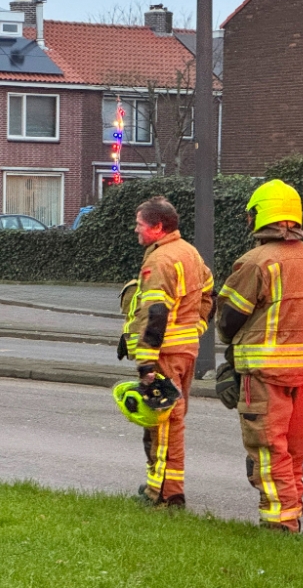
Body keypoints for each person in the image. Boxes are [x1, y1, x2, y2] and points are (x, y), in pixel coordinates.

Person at [216, 179, 303, 533]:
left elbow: (229, 319)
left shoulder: (256, 262)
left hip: (263, 372)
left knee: (266, 447)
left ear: (260, 216)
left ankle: (279, 522)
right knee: (293, 449)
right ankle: (292, 512)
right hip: (302, 370)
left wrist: (230, 358)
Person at [119, 196, 213, 507]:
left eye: (140, 225)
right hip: (185, 350)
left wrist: (146, 361)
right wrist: (197, 327)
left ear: (158, 227)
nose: (136, 230)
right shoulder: (190, 253)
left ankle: (156, 493)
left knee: (159, 424)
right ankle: (173, 491)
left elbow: (156, 311)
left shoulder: (159, 261)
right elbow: (209, 292)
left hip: (165, 352)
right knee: (175, 422)